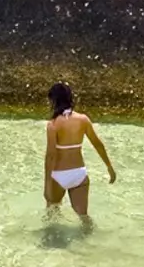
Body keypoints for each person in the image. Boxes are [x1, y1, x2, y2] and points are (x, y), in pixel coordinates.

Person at [43, 81, 115, 231]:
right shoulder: (83, 119)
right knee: (84, 217)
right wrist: (109, 167)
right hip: (79, 174)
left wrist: (47, 184)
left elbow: (51, 156)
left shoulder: (53, 124)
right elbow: (98, 144)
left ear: (53, 101)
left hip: (58, 175)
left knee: (52, 213)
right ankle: (91, 247)